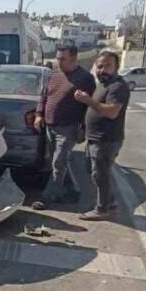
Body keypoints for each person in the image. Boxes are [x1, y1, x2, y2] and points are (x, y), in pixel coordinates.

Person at [31, 44, 96, 210]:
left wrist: (84, 128)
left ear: (74, 59)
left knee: (58, 163)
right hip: (49, 125)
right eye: (57, 58)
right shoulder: (54, 74)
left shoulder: (85, 78)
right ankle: (73, 190)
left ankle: (47, 197)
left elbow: (89, 105)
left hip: (69, 127)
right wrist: (39, 114)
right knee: (59, 162)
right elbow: (44, 96)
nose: (58, 62)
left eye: (62, 59)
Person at [73, 50, 130, 221]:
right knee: (95, 172)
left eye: (108, 66)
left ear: (116, 67)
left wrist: (87, 100)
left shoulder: (117, 87)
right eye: (99, 66)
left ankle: (102, 209)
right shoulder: (103, 84)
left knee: (100, 174)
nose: (102, 70)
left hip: (106, 139)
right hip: (95, 138)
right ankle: (109, 203)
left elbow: (112, 112)